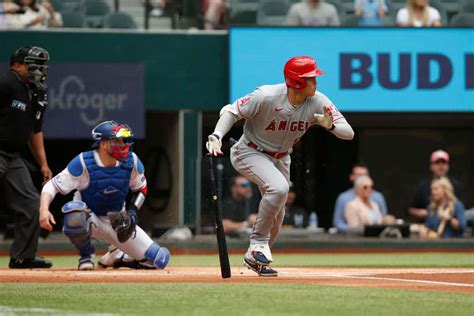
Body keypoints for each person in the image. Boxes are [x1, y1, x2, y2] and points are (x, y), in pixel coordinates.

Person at [206, 56, 354, 276]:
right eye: (311, 78)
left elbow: (348, 133)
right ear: (296, 82)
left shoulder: (319, 100)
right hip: (249, 150)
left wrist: (330, 126)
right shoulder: (266, 95)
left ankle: (257, 260)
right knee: (280, 188)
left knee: (279, 212)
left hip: (282, 157)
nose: (316, 82)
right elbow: (232, 111)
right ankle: (257, 244)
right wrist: (217, 135)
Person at [38, 121, 171, 270]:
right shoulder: (84, 162)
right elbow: (52, 185)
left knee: (158, 259)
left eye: (124, 141)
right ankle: (86, 255)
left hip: (118, 222)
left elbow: (142, 189)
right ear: (103, 144)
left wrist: (132, 212)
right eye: (117, 141)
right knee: (74, 213)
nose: (122, 145)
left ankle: (117, 255)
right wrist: (44, 210)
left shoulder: (131, 161)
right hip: (89, 218)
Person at [0, 46, 53, 269]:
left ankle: (23, 256)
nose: (39, 69)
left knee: (31, 203)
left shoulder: (38, 92)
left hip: (13, 156)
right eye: (34, 64)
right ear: (17, 65)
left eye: (41, 65)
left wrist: (43, 163)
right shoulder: (6, 84)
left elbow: (34, 131)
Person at [409, 150, 463, 223]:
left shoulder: (456, 185)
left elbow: (462, 214)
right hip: (429, 227)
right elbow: (411, 209)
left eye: (444, 163)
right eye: (437, 163)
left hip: (450, 228)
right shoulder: (423, 186)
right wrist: (425, 213)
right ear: (431, 166)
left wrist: (449, 217)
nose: (441, 166)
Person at [333, 163, 387, 232]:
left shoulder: (376, 201)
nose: (362, 178)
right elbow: (339, 223)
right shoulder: (347, 201)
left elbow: (383, 219)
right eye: (358, 175)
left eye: (364, 175)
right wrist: (364, 231)